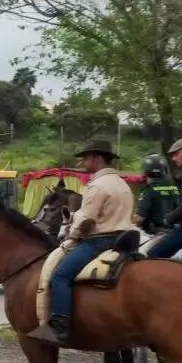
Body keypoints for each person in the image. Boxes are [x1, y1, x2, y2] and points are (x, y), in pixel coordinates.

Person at [32, 139, 135, 343]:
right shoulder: (122, 184)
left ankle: (60, 325)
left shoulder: (98, 185)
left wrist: (71, 235)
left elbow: (87, 219)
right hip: (124, 239)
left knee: (60, 275)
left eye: (85, 158)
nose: (83, 163)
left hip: (100, 240)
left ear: (96, 158)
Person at [134, 154, 179, 235]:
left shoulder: (148, 190)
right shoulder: (174, 187)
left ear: (146, 170)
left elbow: (139, 219)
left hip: (154, 234)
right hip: (175, 231)